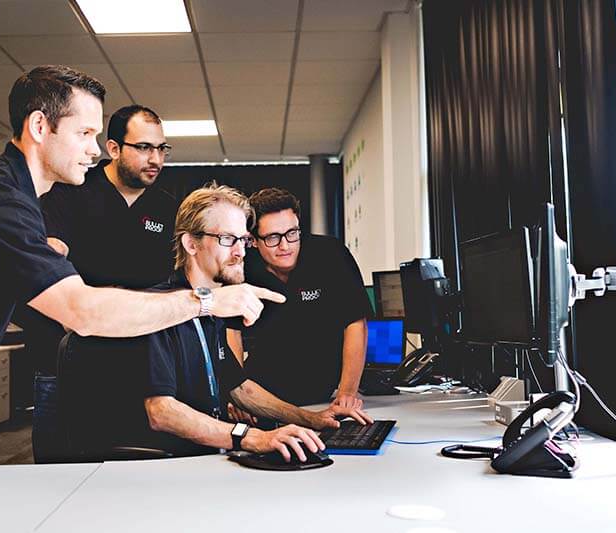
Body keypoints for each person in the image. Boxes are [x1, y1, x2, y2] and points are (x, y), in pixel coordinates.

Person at [0, 65, 283, 503]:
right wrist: (208, 301)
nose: (95, 150)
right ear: (39, 126)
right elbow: (82, 311)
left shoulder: (18, 200)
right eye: (85, 134)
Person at [133, 184, 371, 460]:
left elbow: (240, 388)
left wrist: (312, 419)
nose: (241, 252)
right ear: (191, 244)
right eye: (227, 239)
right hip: (169, 466)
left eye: (242, 240)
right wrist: (251, 438)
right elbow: (161, 412)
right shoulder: (163, 309)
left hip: (211, 456)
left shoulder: (212, 310)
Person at [20, 105, 176, 376]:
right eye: (144, 148)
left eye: (161, 149)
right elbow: (49, 258)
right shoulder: (70, 192)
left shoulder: (167, 207)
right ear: (114, 149)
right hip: (68, 358)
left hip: (142, 360)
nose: (156, 159)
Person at [227, 187, 374, 409]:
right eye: (273, 238)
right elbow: (232, 332)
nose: (285, 246)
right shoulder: (243, 267)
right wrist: (238, 395)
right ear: (253, 240)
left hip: (322, 392)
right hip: (262, 393)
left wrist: (347, 392)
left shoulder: (330, 254)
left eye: (292, 233)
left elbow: (355, 322)